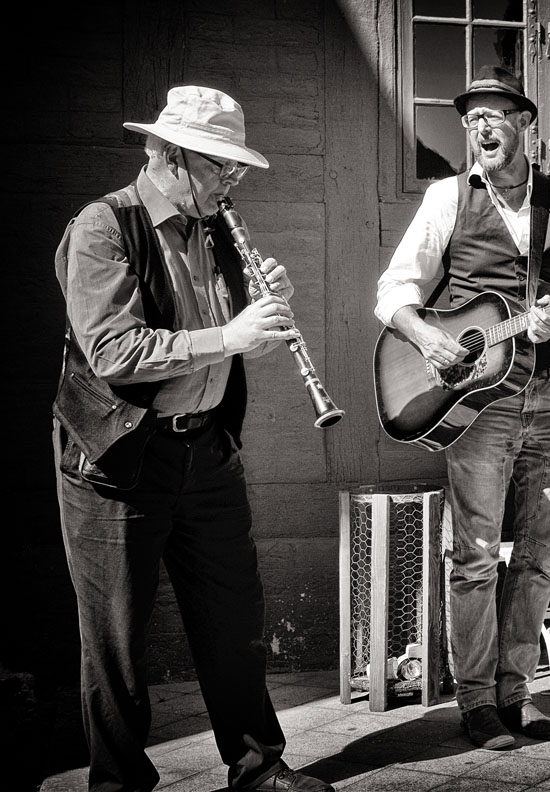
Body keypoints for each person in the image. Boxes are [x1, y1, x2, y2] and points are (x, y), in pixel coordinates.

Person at [52, 85, 334, 792]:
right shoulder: (102, 227)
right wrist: (232, 336)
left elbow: (219, 327)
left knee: (233, 620)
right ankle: (117, 783)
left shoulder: (212, 227)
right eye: (221, 167)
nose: (233, 181)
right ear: (171, 156)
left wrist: (268, 300)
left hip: (205, 450)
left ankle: (258, 768)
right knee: (116, 638)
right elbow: (114, 351)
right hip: (118, 457)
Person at [375, 66, 550, 750]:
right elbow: (394, 292)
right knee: (473, 556)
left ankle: (515, 695)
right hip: (482, 405)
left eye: (496, 115)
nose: (481, 127)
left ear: (526, 125)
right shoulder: (448, 197)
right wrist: (430, 339)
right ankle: (474, 701)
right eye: (472, 119)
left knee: (539, 555)